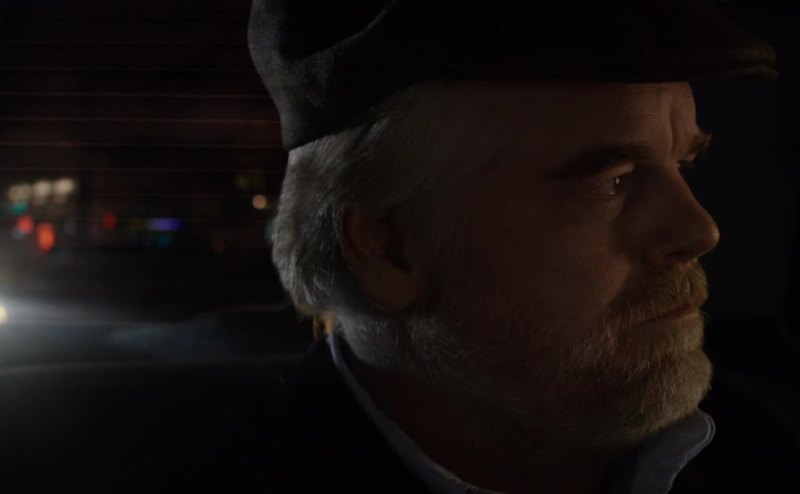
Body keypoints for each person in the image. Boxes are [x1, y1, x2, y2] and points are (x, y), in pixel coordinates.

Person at [131, 1, 797, 493]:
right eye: (613, 181)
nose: (699, 230)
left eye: (685, 163)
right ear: (390, 249)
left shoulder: (769, 451)